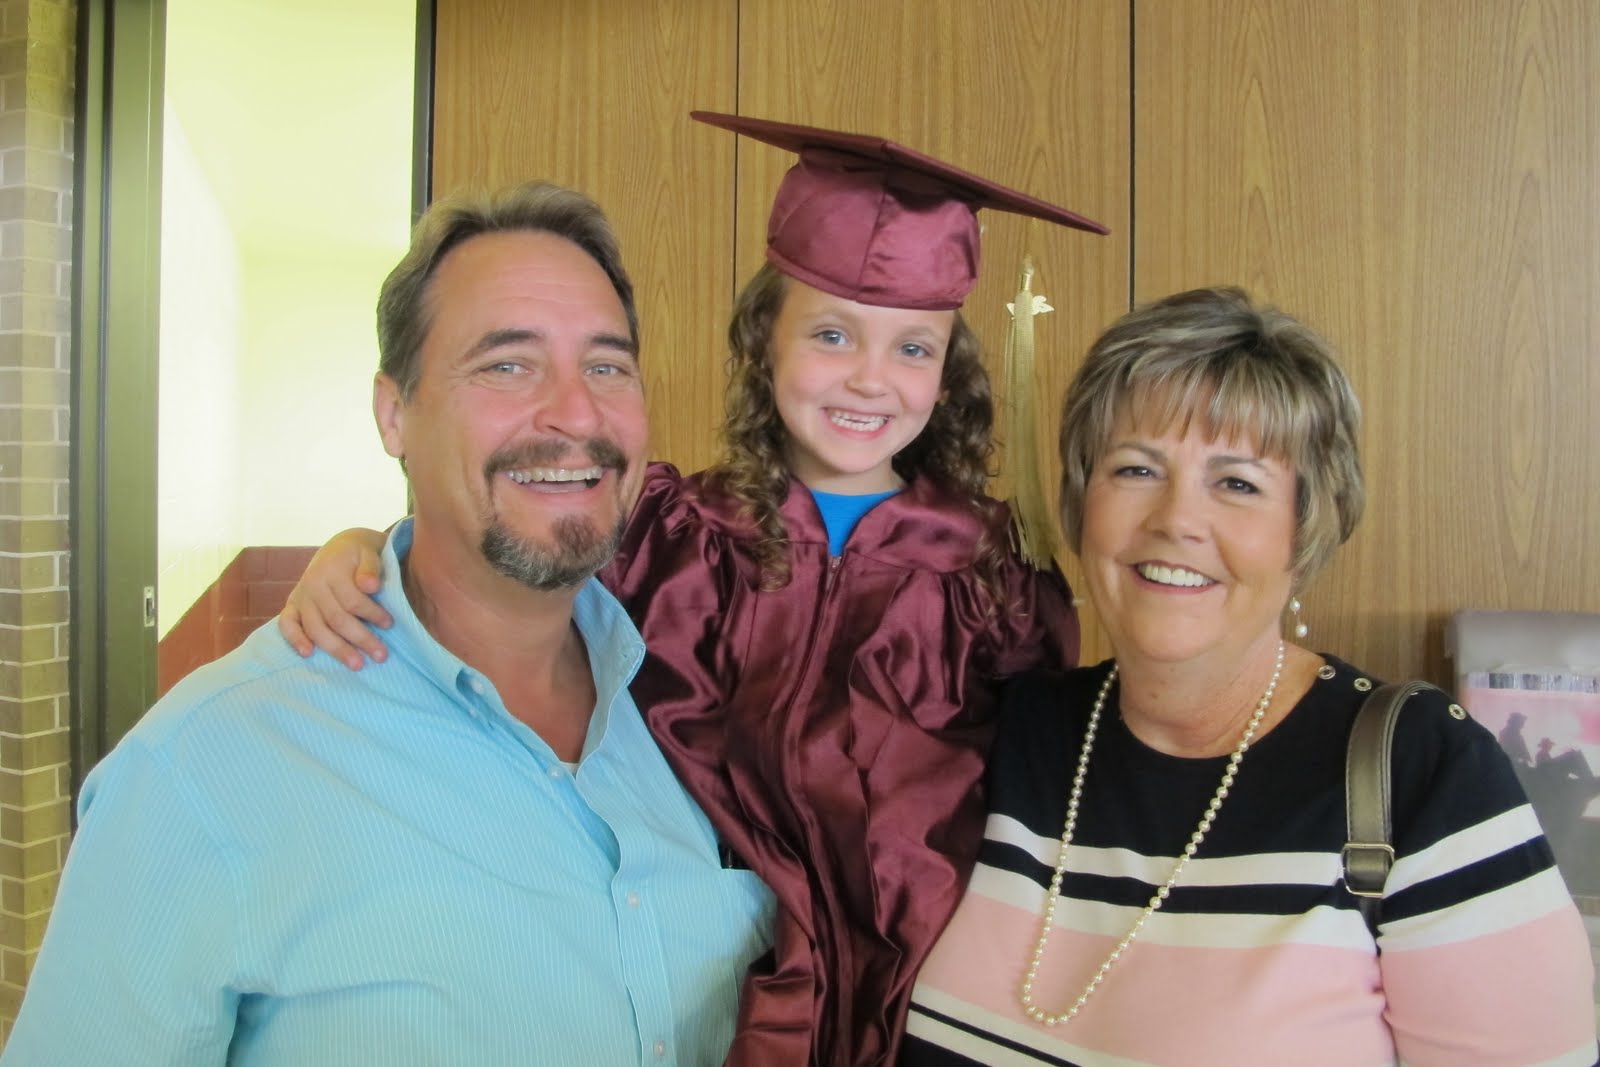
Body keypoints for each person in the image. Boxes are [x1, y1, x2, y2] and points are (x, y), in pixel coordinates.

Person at [276, 112, 1104, 1065]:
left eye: (913, 349)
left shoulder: (993, 576)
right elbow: (508, 565)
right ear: (762, 341)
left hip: (925, 1001)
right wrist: (363, 544)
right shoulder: (670, 535)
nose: (870, 380)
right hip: (702, 991)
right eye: (832, 334)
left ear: (949, 372)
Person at [2, 182, 776, 1065]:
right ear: (394, 413)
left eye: (607, 366)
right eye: (507, 365)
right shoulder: (200, 772)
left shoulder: (703, 690)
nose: (576, 412)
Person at [901, 287, 1599, 1065]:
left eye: (1237, 483)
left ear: (1303, 529)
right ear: (1080, 501)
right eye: (1136, 468)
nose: (1175, 519)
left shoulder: (1421, 774)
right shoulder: (1005, 733)